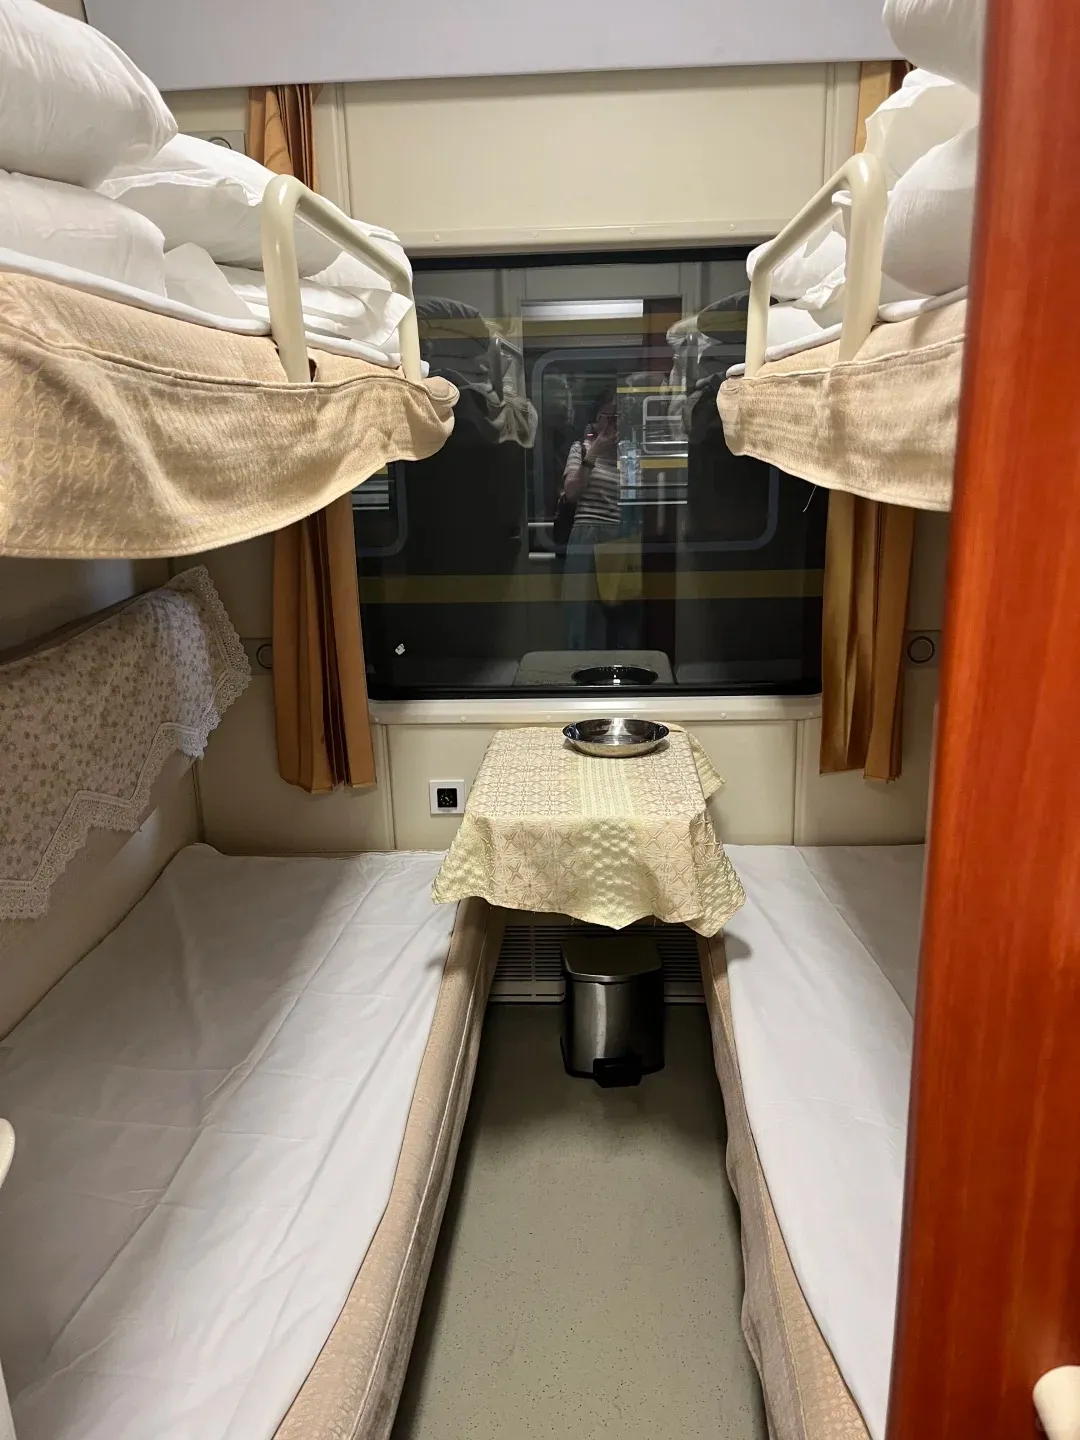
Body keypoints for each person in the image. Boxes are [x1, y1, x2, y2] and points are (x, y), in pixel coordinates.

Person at [559, 391, 623, 650]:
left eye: (615, 419)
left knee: (621, 617)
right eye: (603, 418)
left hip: (621, 538)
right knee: (582, 618)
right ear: (595, 420)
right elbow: (572, 493)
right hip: (586, 534)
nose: (608, 425)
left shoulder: (631, 455)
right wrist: (593, 454)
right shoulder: (581, 448)